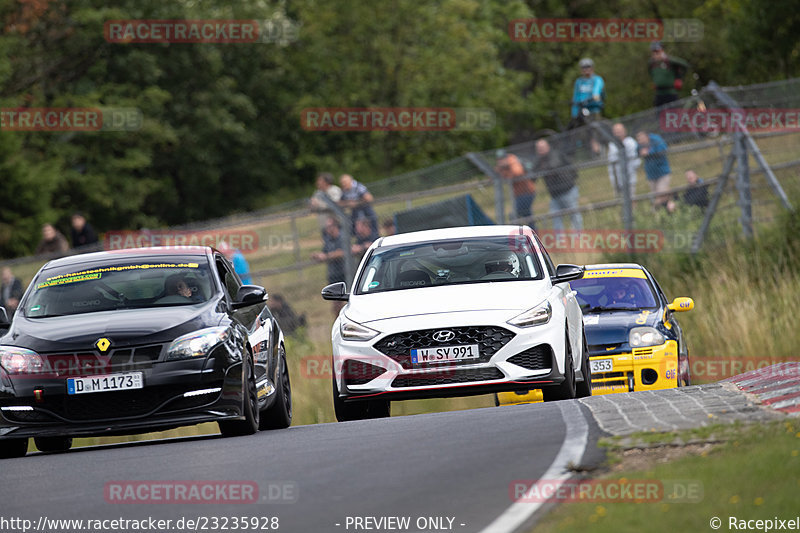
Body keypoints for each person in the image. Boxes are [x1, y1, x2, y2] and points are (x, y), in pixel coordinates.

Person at [532, 139, 582, 231]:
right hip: (554, 195)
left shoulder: (554, 154)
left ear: (548, 147)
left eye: (542, 148)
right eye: (538, 148)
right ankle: (560, 241)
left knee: (574, 214)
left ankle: (578, 237)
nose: (540, 150)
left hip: (567, 190)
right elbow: (533, 174)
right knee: (555, 217)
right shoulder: (540, 160)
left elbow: (554, 165)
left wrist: (542, 169)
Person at [312, 216, 347, 315]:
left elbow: (342, 252)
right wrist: (318, 256)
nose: (327, 229)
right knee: (335, 305)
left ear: (335, 226)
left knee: (341, 303)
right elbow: (325, 253)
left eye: (329, 226)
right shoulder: (328, 240)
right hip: (333, 274)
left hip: (343, 273)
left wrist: (326, 256)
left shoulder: (342, 237)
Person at [636, 131, 674, 211]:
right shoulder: (640, 145)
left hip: (662, 173)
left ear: (647, 137)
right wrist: (640, 153)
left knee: (661, 194)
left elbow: (663, 148)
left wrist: (649, 152)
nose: (641, 141)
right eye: (639, 140)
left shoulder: (656, 140)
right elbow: (636, 152)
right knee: (658, 196)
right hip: (651, 175)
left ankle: (653, 209)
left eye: (642, 138)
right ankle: (669, 208)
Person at [495, 151, 536, 225]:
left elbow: (518, 172)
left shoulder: (512, 160)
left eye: (503, 158)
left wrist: (507, 168)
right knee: (527, 215)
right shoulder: (502, 167)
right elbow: (496, 175)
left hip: (527, 192)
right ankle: (534, 233)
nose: (501, 161)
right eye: (499, 159)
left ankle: (518, 232)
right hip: (518, 194)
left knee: (514, 215)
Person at [648, 41, 689, 108]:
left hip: (671, 93)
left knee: (673, 114)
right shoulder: (651, 64)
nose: (656, 54)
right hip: (659, 94)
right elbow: (651, 73)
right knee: (659, 115)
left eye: (657, 52)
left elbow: (684, 64)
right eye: (654, 52)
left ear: (662, 51)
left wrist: (679, 78)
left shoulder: (669, 61)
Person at [607, 123, 640, 199]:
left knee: (631, 198)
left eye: (619, 131)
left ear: (625, 131)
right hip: (616, 178)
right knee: (620, 199)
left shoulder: (630, 142)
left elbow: (635, 160)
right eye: (616, 131)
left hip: (629, 176)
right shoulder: (612, 145)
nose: (618, 133)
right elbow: (611, 160)